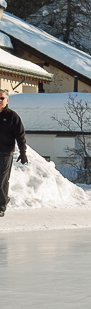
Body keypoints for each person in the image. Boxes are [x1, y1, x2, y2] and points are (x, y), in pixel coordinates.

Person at [0, 89, 27, 217]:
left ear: (7, 100)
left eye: (2, 98)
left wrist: (23, 152)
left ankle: (1, 206)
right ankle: (4, 198)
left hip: (5, 152)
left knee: (2, 180)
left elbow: (20, 136)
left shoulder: (12, 116)